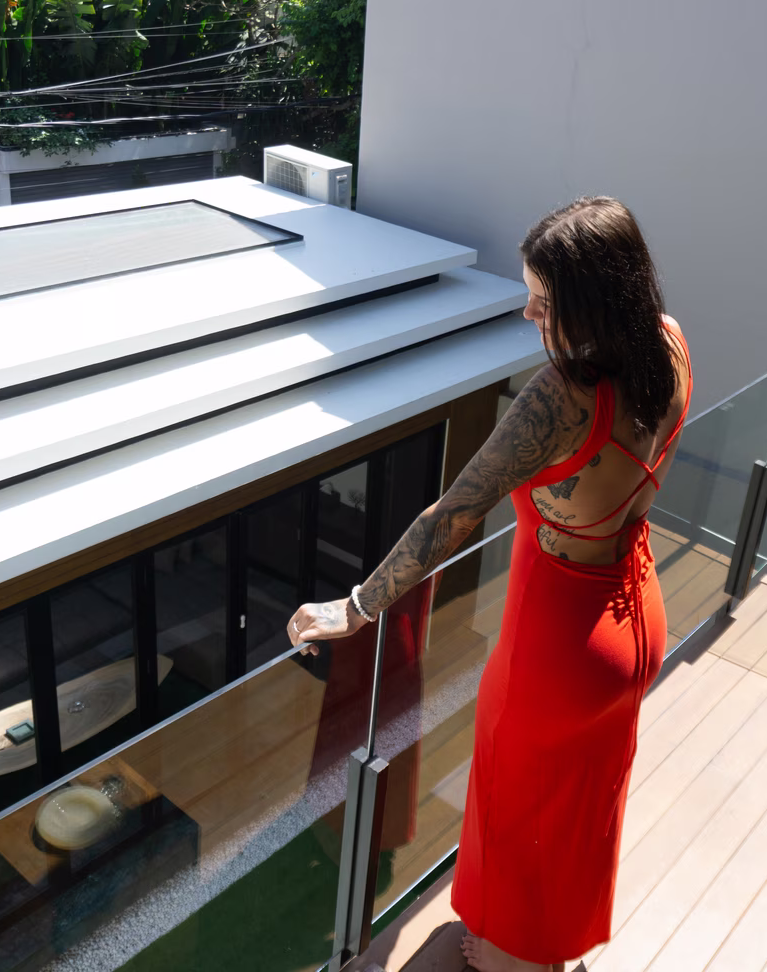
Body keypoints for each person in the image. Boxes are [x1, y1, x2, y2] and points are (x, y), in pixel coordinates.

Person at [287, 197, 693, 972]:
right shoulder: (669, 346)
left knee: (517, 806)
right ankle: (547, 944)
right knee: (580, 805)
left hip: (561, 642)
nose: (530, 313)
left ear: (595, 301)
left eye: (546, 301)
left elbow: (452, 514)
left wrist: (357, 606)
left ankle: (515, 956)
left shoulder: (563, 397)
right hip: (636, 611)